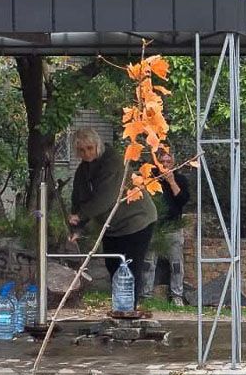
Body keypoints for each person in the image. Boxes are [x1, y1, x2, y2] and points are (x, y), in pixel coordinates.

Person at [67, 127, 158, 294]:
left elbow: (105, 198)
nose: (86, 153)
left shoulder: (113, 162)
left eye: (89, 148)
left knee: (130, 268)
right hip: (112, 226)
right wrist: (77, 227)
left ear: (97, 145)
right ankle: (119, 308)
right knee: (113, 266)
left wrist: (80, 215)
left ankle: (129, 311)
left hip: (137, 220)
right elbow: (79, 198)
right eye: (81, 150)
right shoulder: (83, 170)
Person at [140, 146, 191, 306]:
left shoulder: (180, 179)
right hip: (153, 226)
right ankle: (145, 295)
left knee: (176, 263)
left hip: (173, 226)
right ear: (156, 162)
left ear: (173, 162)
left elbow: (183, 200)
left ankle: (177, 295)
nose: (166, 164)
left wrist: (171, 181)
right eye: (162, 161)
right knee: (148, 263)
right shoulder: (150, 179)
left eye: (169, 161)